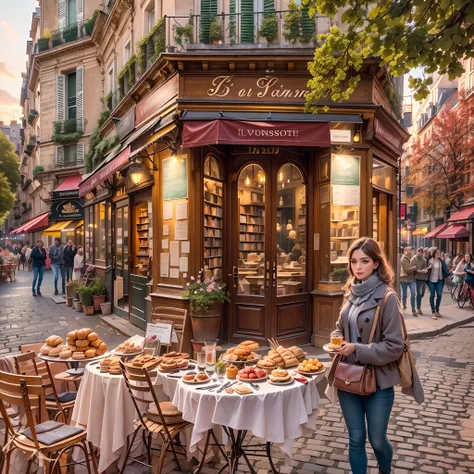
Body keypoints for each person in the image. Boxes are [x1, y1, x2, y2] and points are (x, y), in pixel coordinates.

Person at [330, 237, 423, 474]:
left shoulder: (388, 297)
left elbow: (394, 346)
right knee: (356, 438)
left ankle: (385, 470)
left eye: (364, 261)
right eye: (353, 261)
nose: (357, 267)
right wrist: (337, 337)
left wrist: (356, 349)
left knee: (377, 439)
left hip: (379, 379)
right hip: (349, 377)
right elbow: (341, 326)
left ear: (376, 263)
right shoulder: (350, 290)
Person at [426, 247, 451, 319]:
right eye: (437, 253)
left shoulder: (441, 261)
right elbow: (427, 269)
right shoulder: (430, 261)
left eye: (439, 253)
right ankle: (433, 311)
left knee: (439, 294)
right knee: (432, 294)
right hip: (431, 280)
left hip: (439, 280)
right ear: (434, 254)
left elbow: (445, 269)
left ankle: (437, 310)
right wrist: (429, 267)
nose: (439, 254)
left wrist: (449, 273)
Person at [400, 247, 418, 317]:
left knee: (413, 294)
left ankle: (413, 309)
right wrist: (414, 268)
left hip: (411, 279)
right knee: (404, 295)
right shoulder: (403, 258)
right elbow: (406, 270)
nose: (410, 251)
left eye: (411, 250)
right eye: (408, 250)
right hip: (404, 279)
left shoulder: (413, 258)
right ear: (405, 251)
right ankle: (403, 307)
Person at [411, 247, 428, 314]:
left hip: (423, 278)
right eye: (419, 252)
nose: (420, 254)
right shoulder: (414, 259)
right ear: (417, 252)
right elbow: (413, 268)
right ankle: (418, 307)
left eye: (421, 252)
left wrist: (425, 269)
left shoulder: (424, 259)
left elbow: (425, 266)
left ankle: (418, 301)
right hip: (416, 278)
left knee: (422, 293)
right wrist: (419, 271)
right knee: (418, 293)